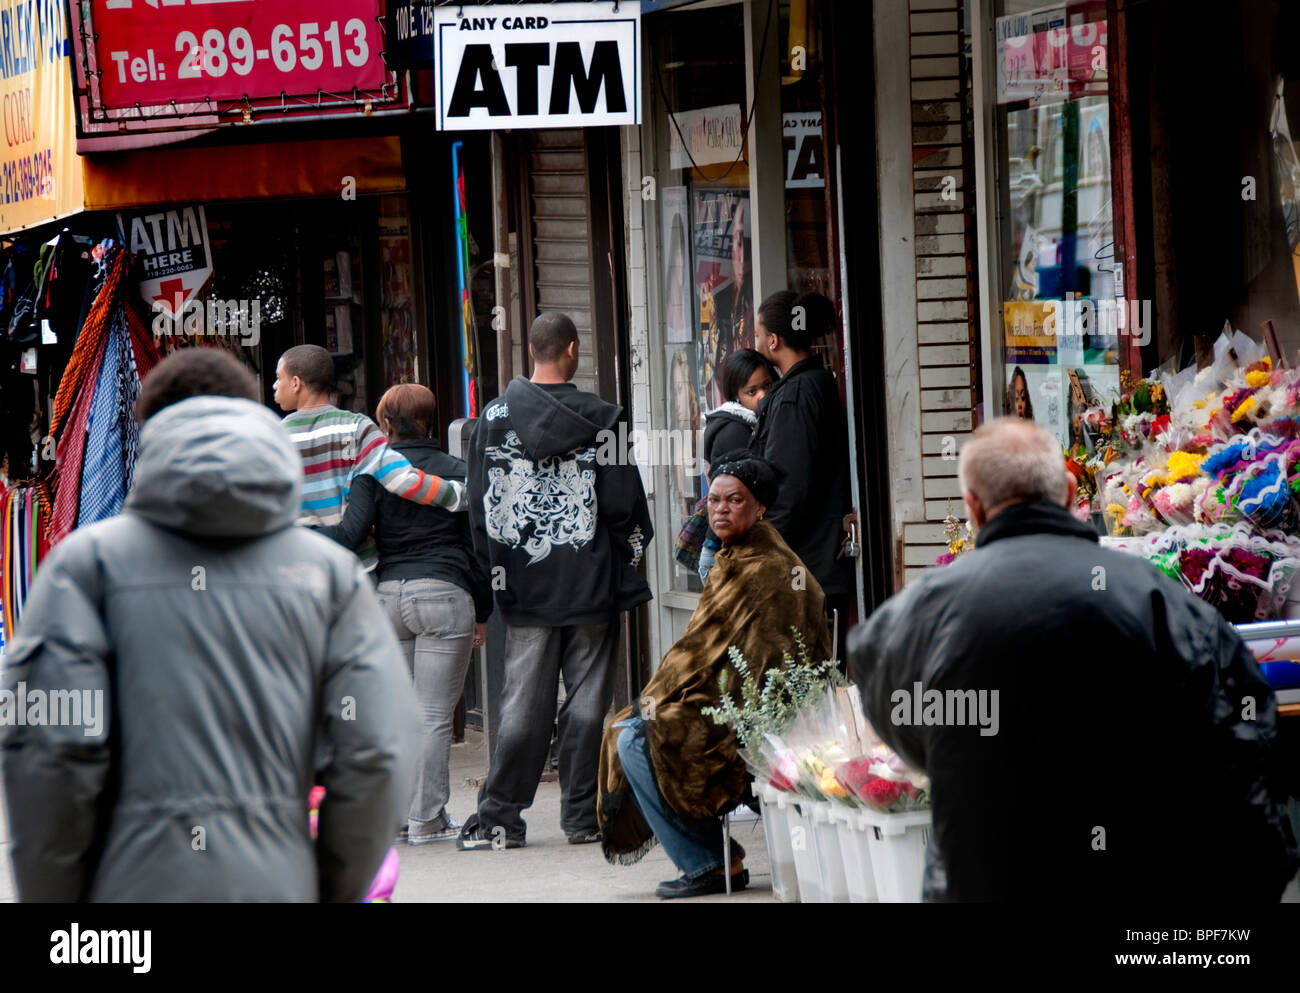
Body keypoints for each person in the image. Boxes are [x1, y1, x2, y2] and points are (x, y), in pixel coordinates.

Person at [1, 348, 422, 901]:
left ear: (147, 428)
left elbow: (47, 750)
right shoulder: (330, 577)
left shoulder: (84, 570)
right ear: (251, 419)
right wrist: (330, 881)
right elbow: (379, 746)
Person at [848, 417, 1299, 902]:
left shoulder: (917, 616)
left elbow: (890, 704)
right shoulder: (1162, 603)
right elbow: (1243, 764)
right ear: (1068, 493)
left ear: (974, 508)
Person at [459, 311, 654, 850]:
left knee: (522, 705)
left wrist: (492, 573)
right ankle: (582, 817)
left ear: (534, 354)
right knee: (589, 705)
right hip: (590, 583)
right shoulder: (605, 418)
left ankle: (499, 818)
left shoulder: (491, 419)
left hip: (521, 584)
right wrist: (626, 563)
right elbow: (624, 507)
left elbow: (479, 508)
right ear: (571, 350)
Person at [598, 452, 831, 898]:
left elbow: (768, 668)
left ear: (760, 507)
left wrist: (683, 696)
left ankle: (711, 862)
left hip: (757, 714)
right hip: (722, 699)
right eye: (714, 500)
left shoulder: (773, 569)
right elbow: (706, 650)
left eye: (735, 500)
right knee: (628, 726)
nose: (720, 509)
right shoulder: (736, 555)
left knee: (635, 738)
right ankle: (713, 858)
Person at [315, 383, 492, 846]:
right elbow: (479, 548)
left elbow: (352, 535)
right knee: (433, 716)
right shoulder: (458, 472)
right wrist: (483, 610)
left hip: (388, 599)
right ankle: (427, 820)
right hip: (444, 594)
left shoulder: (371, 475)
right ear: (433, 421)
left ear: (386, 426)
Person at [273, 344, 466, 572]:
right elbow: (403, 480)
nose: (275, 385)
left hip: (297, 569)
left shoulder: (273, 436)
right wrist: (460, 494)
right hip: (355, 571)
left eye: (278, 378)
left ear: (296, 383)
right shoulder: (357, 427)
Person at [750, 290, 855, 640]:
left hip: (808, 566)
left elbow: (789, 486)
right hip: (817, 564)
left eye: (759, 334)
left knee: (807, 685)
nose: (758, 341)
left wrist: (763, 548)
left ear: (774, 340)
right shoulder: (816, 382)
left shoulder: (796, 394)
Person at [690, 348, 778, 581]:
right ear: (736, 395)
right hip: (724, 552)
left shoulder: (749, 424)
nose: (761, 395)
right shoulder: (735, 431)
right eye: (752, 391)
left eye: (767, 386)